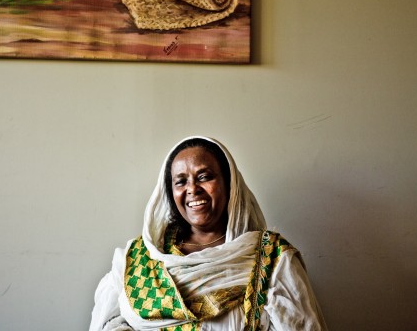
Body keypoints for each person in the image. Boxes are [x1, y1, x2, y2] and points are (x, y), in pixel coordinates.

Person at [90, 136, 327, 330]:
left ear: (229, 184)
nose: (192, 189)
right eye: (180, 181)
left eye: (204, 177)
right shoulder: (138, 260)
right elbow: (110, 324)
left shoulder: (272, 260)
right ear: (171, 193)